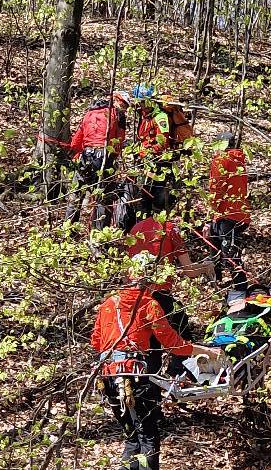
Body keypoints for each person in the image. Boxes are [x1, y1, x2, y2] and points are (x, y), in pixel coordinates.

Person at [91, 260, 221, 470]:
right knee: (148, 434)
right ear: (150, 280)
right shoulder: (149, 305)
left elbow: (97, 341)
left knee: (131, 435)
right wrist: (204, 350)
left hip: (109, 376)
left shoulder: (108, 304)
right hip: (137, 376)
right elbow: (173, 343)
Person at [125, 215, 216, 373]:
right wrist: (206, 266)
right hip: (158, 294)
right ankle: (176, 375)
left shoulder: (135, 230)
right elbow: (190, 271)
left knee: (150, 344)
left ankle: (151, 387)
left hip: (134, 295)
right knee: (181, 331)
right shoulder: (169, 229)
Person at [64, 90, 131, 227]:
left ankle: (68, 229)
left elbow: (77, 138)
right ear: (117, 100)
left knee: (76, 193)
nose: (125, 109)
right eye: (124, 105)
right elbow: (119, 141)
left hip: (86, 156)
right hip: (105, 157)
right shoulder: (118, 116)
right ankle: (99, 235)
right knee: (105, 197)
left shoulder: (90, 112)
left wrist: (76, 152)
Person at [134, 87, 194, 217]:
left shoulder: (160, 117)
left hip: (160, 162)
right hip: (148, 161)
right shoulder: (146, 117)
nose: (142, 105)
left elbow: (163, 143)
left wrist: (146, 152)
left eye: (144, 102)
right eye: (140, 102)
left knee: (156, 197)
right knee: (143, 197)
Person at [208, 131, 250, 296]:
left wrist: (213, 213)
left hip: (228, 215)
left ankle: (241, 289)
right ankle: (216, 279)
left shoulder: (221, 160)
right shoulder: (239, 161)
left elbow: (216, 189)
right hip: (238, 213)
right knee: (215, 242)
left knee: (229, 254)